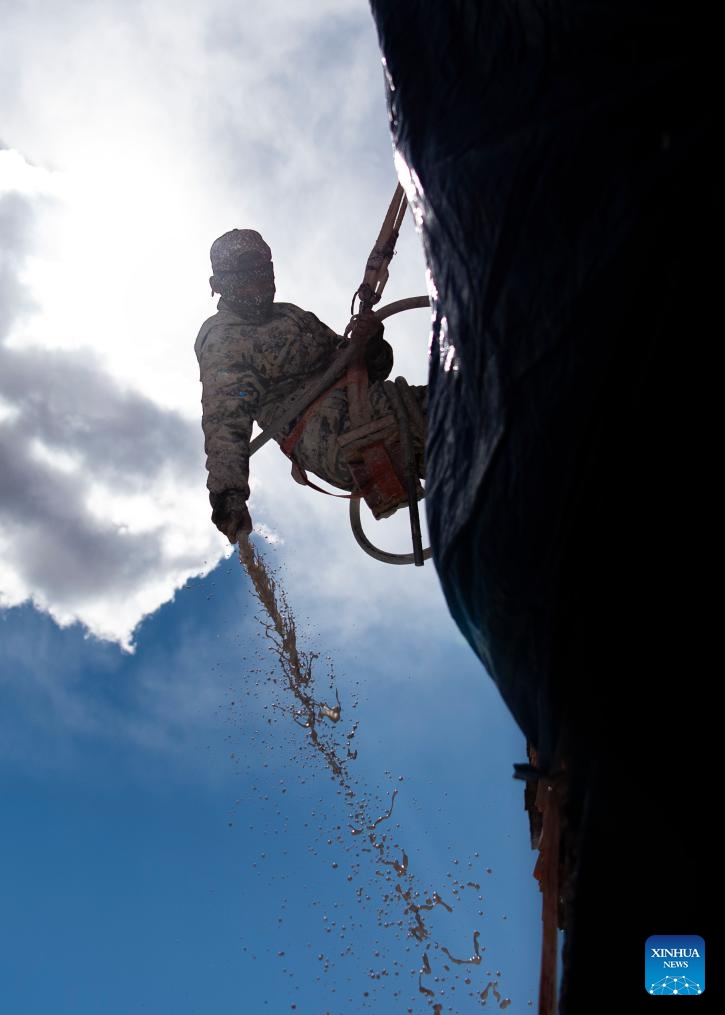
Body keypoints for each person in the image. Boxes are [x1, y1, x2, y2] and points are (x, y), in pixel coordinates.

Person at [194, 228, 426, 543]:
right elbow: (225, 419)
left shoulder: (291, 314)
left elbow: (366, 367)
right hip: (332, 435)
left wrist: (370, 343)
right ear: (219, 285)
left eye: (263, 270)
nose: (258, 282)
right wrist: (228, 495)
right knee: (453, 410)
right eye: (244, 275)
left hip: (370, 402)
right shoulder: (222, 338)